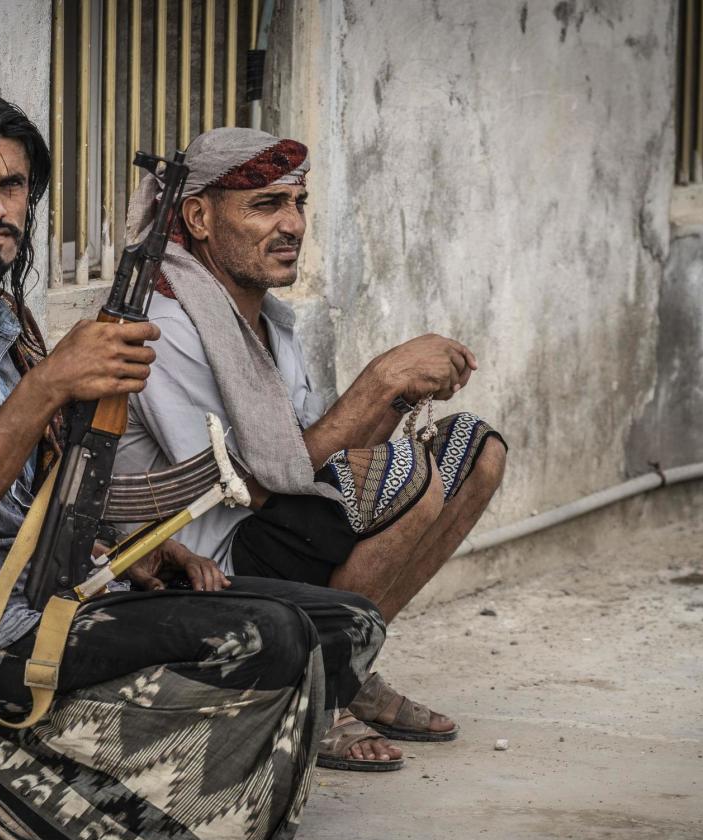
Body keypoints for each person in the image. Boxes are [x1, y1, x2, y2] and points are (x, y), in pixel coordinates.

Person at [0, 90, 389, 840]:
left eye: (11, 187)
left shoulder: (2, 321)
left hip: (54, 594)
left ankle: (59, 752)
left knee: (345, 627)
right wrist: (47, 386)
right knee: (272, 640)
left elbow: (43, 493)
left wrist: (135, 553)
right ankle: (13, 767)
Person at [116, 127, 508, 771]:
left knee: (476, 452)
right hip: (201, 559)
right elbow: (250, 485)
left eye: (297, 204)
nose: (292, 224)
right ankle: (320, 694)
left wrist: (399, 399)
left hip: (266, 526)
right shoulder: (166, 323)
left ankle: (349, 665)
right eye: (265, 206)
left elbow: (312, 456)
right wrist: (380, 379)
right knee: (405, 475)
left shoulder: (270, 319)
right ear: (199, 217)